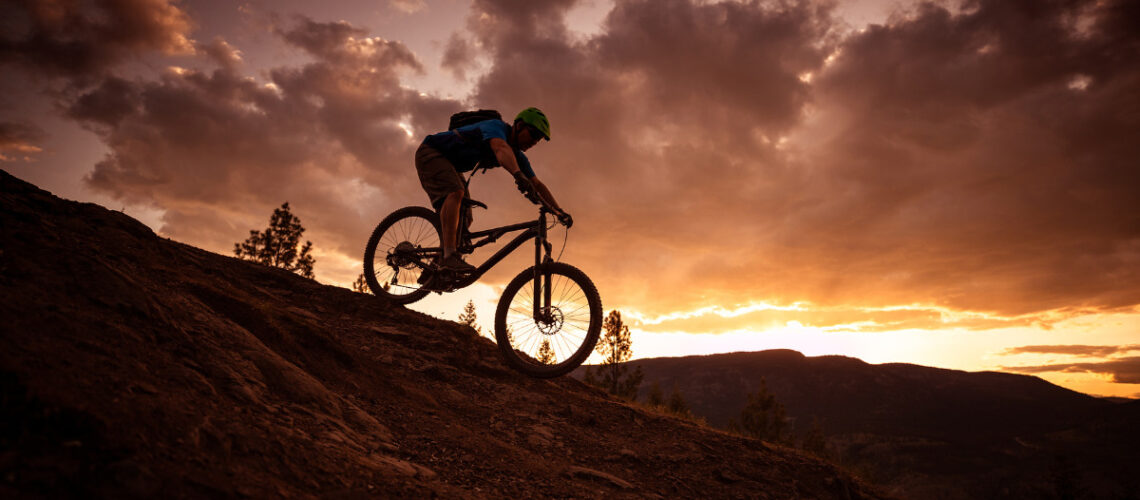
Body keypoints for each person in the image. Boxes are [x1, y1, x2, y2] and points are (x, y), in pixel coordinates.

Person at [414, 107, 572, 272]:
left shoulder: (518, 155)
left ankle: (436, 269)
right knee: (455, 193)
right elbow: (500, 148)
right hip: (431, 152)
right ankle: (449, 256)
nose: (534, 141)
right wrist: (518, 175)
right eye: (533, 134)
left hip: (451, 166)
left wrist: (559, 211)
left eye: (538, 139)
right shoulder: (496, 127)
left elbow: (537, 184)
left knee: (465, 218)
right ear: (518, 126)